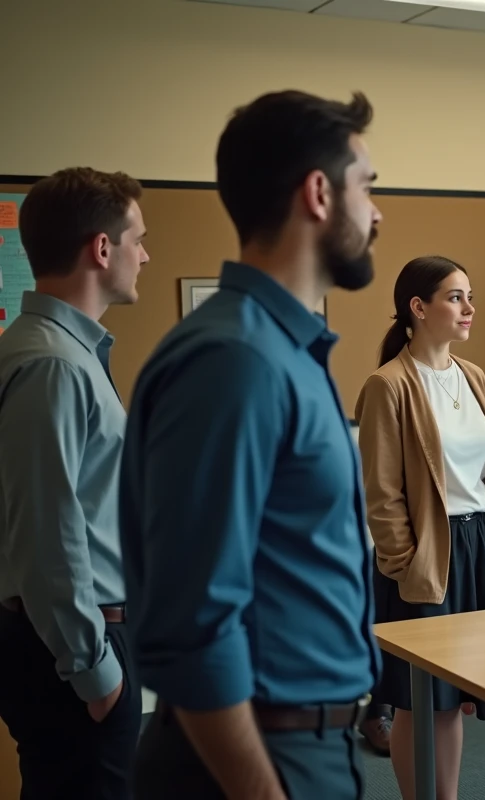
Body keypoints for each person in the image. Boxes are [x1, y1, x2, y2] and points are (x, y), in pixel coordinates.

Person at [118, 89, 383, 800]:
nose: (378, 212)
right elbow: (194, 625)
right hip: (254, 760)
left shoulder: (285, 350)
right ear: (319, 193)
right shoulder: (237, 361)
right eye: (368, 186)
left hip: (307, 743)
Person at [0, 167, 148, 799]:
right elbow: (47, 534)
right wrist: (96, 673)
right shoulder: (52, 365)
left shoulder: (63, 353)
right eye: (138, 237)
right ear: (102, 247)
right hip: (73, 647)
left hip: (73, 637)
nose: (146, 253)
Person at [355, 254, 485, 799]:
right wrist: (405, 566)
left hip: (475, 550)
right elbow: (381, 493)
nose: (469, 308)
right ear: (418, 308)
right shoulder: (389, 384)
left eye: (470, 296)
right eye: (455, 297)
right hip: (426, 554)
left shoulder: (472, 376)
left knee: (455, 701)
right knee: (417, 701)